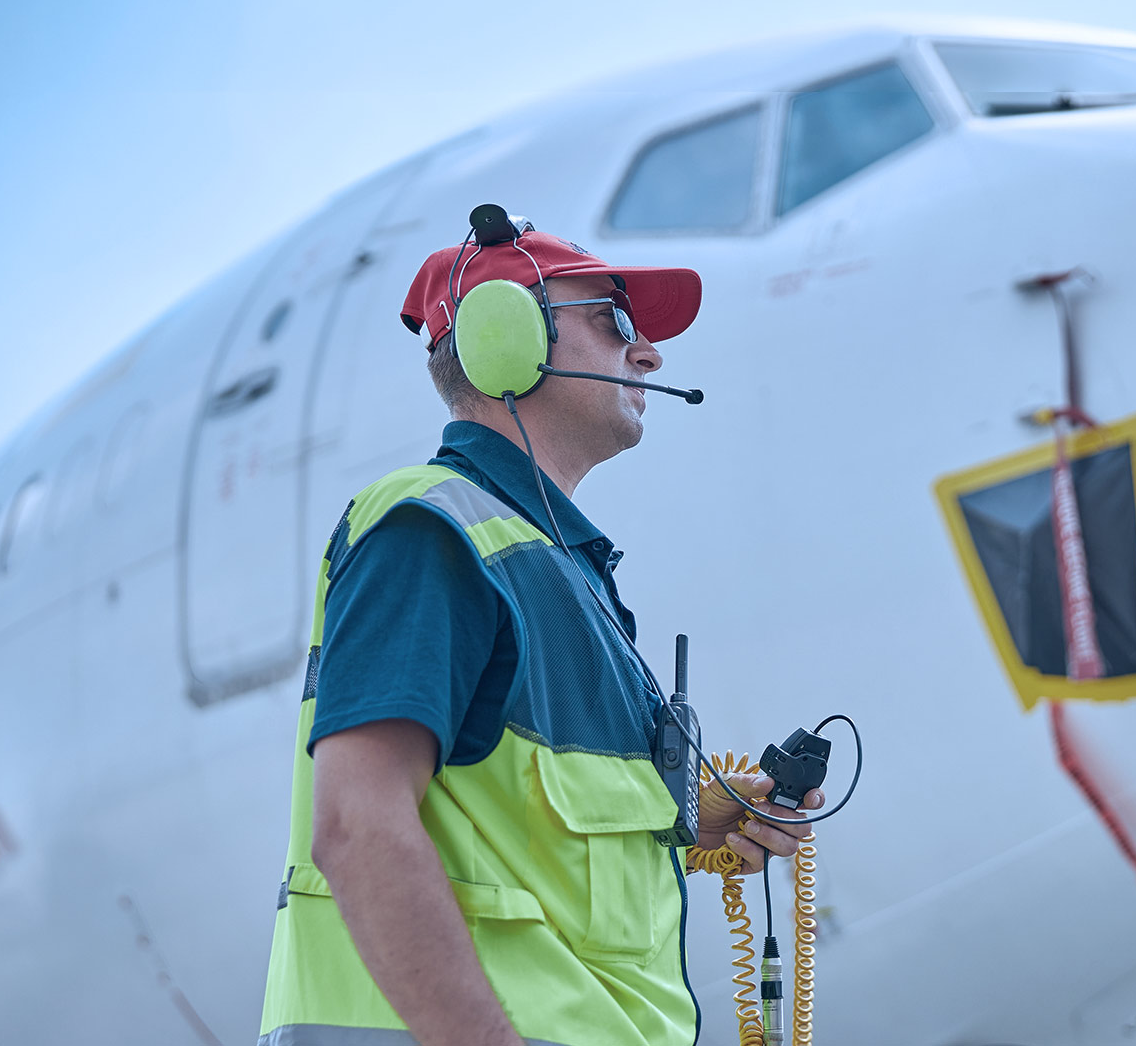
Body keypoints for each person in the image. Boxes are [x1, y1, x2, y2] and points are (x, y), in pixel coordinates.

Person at [257, 221, 821, 1046]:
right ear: (505, 336)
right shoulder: (430, 529)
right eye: (615, 320)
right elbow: (356, 824)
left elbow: (531, 842)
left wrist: (685, 822)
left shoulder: (558, 572)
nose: (648, 353)